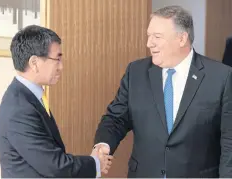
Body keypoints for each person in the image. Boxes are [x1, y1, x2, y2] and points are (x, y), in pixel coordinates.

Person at [93, 5, 232, 178]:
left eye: (157, 37)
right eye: (149, 36)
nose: (149, 43)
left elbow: (229, 141)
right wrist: (103, 145)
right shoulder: (136, 72)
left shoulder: (221, 77)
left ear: (182, 39)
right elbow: (115, 119)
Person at [0, 25, 113, 178]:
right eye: (57, 59)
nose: (61, 66)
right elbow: (55, 166)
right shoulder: (19, 109)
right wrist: (95, 163)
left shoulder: (26, 97)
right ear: (34, 63)